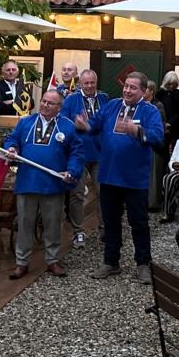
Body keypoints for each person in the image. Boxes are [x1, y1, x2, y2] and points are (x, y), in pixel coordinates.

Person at [74, 71, 163, 285]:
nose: (127, 90)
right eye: (126, 86)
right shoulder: (112, 105)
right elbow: (94, 125)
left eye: (133, 87)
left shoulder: (150, 111)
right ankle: (111, 261)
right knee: (111, 221)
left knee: (139, 222)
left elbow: (158, 137)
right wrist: (84, 125)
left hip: (135, 178)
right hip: (109, 175)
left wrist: (137, 130)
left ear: (143, 91)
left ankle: (143, 264)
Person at [4, 90, 83, 279]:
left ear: (59, 107)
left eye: (51, 103)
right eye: (44, 101)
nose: (45, 105)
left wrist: (72, 171)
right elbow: (12, 139)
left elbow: (77, 153)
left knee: (53, 224)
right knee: (24, 224)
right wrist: (12, 148)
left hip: (52, 184)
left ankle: (52, 260)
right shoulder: (26, 122)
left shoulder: (68, 127)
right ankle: (21, 262)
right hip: (27, 182)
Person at [60, 69, 108, 248]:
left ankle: (105, 228)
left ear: (96, 82)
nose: (89, 86)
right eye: (86, 83)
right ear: (80, 84)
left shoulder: (104, 98)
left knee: (103, 192)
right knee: (77, 194)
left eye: (92, 82)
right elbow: (62, 123)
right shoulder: (71, 100)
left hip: (100, 153)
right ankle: (78, 231)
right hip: (78, 154)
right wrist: (75, 125)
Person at [144, 80, 169, 209]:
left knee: (153, 176)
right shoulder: (140, 104)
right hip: (142, 144)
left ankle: (152, 203)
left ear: (152, 91)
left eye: (145, 89)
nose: (143, 92)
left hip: (155, 146)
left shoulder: (158, 105)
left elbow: (159, 124)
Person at [156, 71, 179, 155]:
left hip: (175, 126)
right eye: (169, 84)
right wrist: (164, 123)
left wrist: (170, 123)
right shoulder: (160, 93)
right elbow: (157, 109)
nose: (171, 86)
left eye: (174, 84)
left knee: (176, 149)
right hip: (162, 125)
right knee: (162, 150)